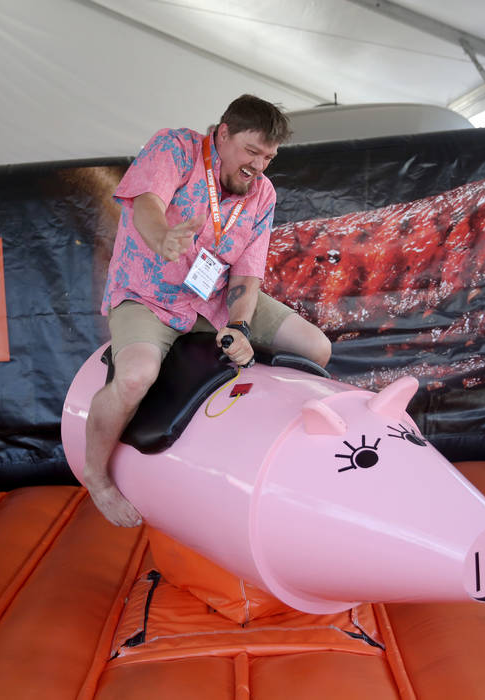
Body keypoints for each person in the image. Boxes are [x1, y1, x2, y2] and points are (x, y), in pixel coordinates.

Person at [87, 95, 332, 527]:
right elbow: (147, 203)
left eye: (269, 157)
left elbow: (247, 276)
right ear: (222, 133)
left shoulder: (262, 193)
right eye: (251, 151)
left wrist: (238, 326)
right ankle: (96, 477)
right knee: (135, 376)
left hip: (216, 296)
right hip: (149, 296)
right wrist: (163, 237)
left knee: (316, 347)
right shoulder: (175, 147)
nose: (258, 165)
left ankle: (271, 462)